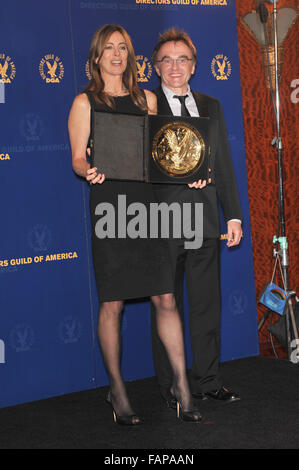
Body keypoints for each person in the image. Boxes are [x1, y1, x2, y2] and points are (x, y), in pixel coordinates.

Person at [68, 24, 202, 425]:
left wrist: (189, 171)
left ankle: (182, 386)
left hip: (150, 209)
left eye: (122, 47)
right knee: (113, 302)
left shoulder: (147, 99)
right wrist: (87, 169)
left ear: (130, 54)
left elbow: (165, 153)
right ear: (95, 57)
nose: (116, 54)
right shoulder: (84, 102)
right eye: (108, 48)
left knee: (166, 298)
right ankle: (117, 389)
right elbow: (77, 157)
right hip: (111, 209)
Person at [150, 28, 243, 408]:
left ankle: (209, 380)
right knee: (165, 305)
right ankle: (171, 384)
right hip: (160, 222)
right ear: (156, 67)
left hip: (205, 221)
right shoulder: (147, 105)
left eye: (183, 59)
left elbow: (223, 163)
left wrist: (233, 216)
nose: (176, 67)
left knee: (207, 304)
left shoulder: (212, 105)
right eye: (167, 60)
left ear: (194, 65)